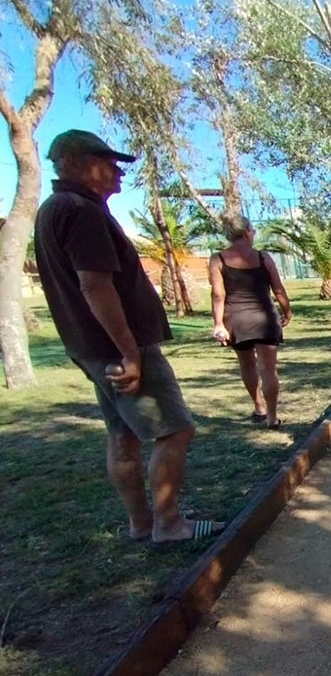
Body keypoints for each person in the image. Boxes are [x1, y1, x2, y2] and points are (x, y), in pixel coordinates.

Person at [33, 130, 223, 545]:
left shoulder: (54, 209)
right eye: (110, 164)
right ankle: (169, 523)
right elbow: (95, 286)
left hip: (90, 349)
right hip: (118, 348)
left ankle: (140, 523)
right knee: (175, 431)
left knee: (122, 434)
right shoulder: (81, 211)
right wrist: (129, 352)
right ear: (77, 162)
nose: (119, 175)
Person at [208, 214, 292, 428]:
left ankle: (259, 407)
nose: (253, 234)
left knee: (247, 364)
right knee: (268, 368)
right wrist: (287, 311)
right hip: (265, 318)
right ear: (247, 233)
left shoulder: (218, 259)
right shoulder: (263, 257)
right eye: (253, 231)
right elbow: (278, 288)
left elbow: (218, 295)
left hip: (237, 320)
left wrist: (218, 324)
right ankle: (272, 417)